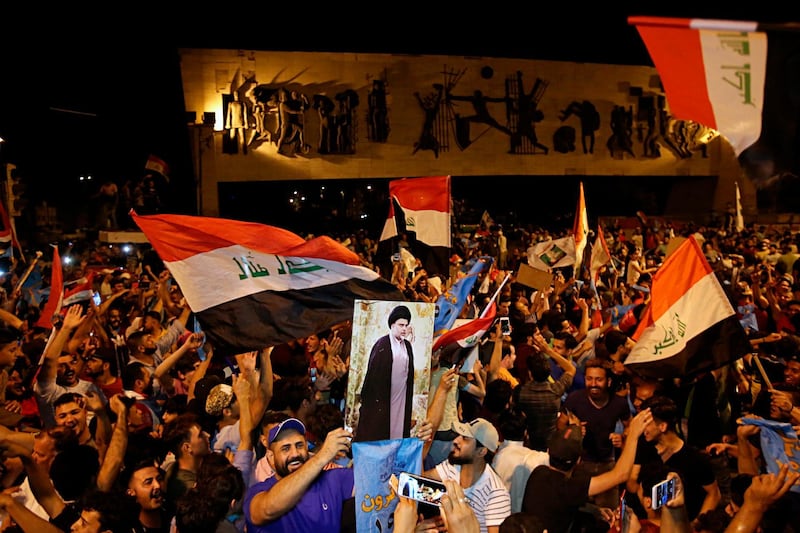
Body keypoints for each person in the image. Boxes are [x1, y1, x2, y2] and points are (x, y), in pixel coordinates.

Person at [521, 408, 653, 533]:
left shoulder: (538, 473)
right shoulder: (570, 488)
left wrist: (594, 510)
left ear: (549, 452)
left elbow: (559, 502)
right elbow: (621, 475)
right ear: (578, 460)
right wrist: (633, 435)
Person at [243, 417, 354, 532]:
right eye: (285, 448)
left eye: (299, 445)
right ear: (271, 457)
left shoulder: (332, 479)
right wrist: (322, 456)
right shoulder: (258, 491)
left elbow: (370, 483)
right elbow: (267, 510)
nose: (295, 454)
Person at [423, 417, 512, 532]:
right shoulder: (452, 468)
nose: (456, 441)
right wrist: (423, 445)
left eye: (465, 438)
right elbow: (419, 479)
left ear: (481, 451)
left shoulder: (496, 494)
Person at [354, 304, 415, 442]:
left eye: (406, 325)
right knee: (381, 429)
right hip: (384, 398)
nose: (404, 329)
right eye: (401, 325)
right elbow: (373, 376)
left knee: (398, 428)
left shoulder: (408, 346)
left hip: (401, 397)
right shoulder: (382, 344)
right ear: (392, 325)